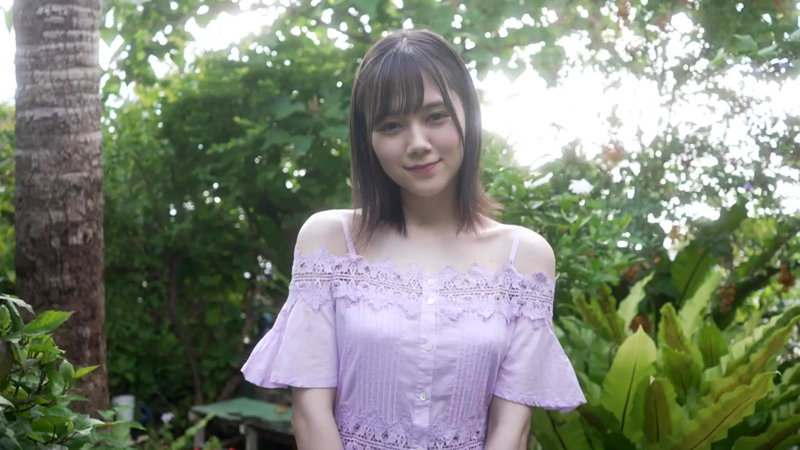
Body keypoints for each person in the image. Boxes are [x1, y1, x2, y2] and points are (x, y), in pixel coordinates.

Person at [241, 29, 586, 450]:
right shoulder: (329, 243)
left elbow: (511, 430)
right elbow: (311, 415)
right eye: (392, 125)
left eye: (436, 116)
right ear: (369, 141)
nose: (418, 144)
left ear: (468, 116)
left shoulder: (525, 259)